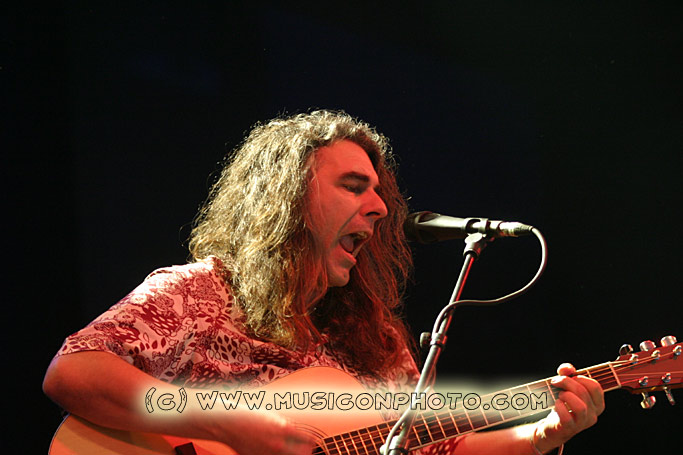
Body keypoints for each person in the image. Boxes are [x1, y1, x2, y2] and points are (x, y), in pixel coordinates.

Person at [43, 110, 604, 455]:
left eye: (379, 193)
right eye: (354, 187)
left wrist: (540, 435)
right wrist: (229, 425)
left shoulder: (374, 338)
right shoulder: (200, 291)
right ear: (286, 199)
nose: (380, 207)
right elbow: (73, 371)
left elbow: (436, 447)